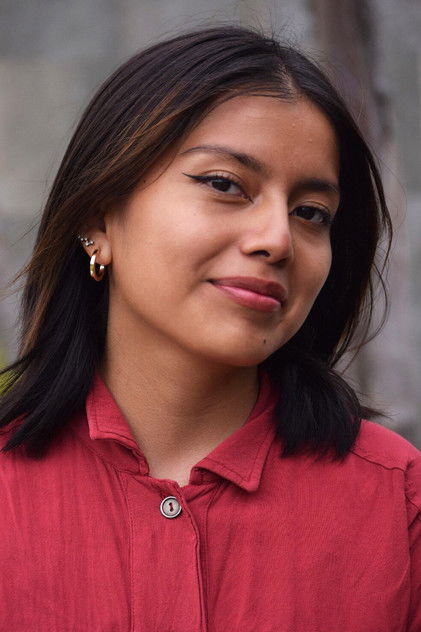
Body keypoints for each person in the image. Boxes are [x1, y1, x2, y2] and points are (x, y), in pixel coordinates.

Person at [0, 25, 419, 632]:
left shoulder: (397, 501)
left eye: (311, 213)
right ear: (99, 219)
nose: (277, 239)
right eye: (224, 184)